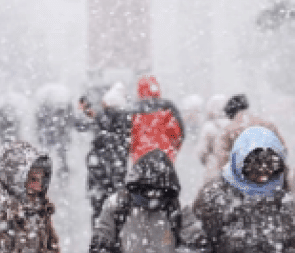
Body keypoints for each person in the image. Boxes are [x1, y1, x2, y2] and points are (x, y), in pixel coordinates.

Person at [75, 85, 131, 227]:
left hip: (101, 178)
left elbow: (81, 123)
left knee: (100, 212)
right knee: (116, 212)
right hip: (115, 177)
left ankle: (101, 239)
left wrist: (85, 109)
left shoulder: (104, 118)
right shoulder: (126, 120)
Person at [203, 94, 285, 176]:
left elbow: (222, 160)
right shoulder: (267, 124)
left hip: (241, 181)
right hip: (271, 176)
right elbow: (283, 149)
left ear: (230, 114)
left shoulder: (228, 130)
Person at [129, 75, 185, 163]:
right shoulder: (168, 108)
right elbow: (179, 135)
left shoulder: (133, 112)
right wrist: (172, 152)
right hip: (165, 159)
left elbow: (130, 139)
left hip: (140, 160)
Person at [36, 98, 72, 178]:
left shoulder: (45, 109)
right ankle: (61, 168)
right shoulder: (61, 109)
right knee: (58, 152)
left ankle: (60, 168)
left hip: (55, 134)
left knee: (57, 151)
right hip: (54, 134)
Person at [197, 94, 228, 168]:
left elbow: (202, 152)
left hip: (214, 170)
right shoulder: (233, 126)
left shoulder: (209, 127)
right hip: (231, 172)